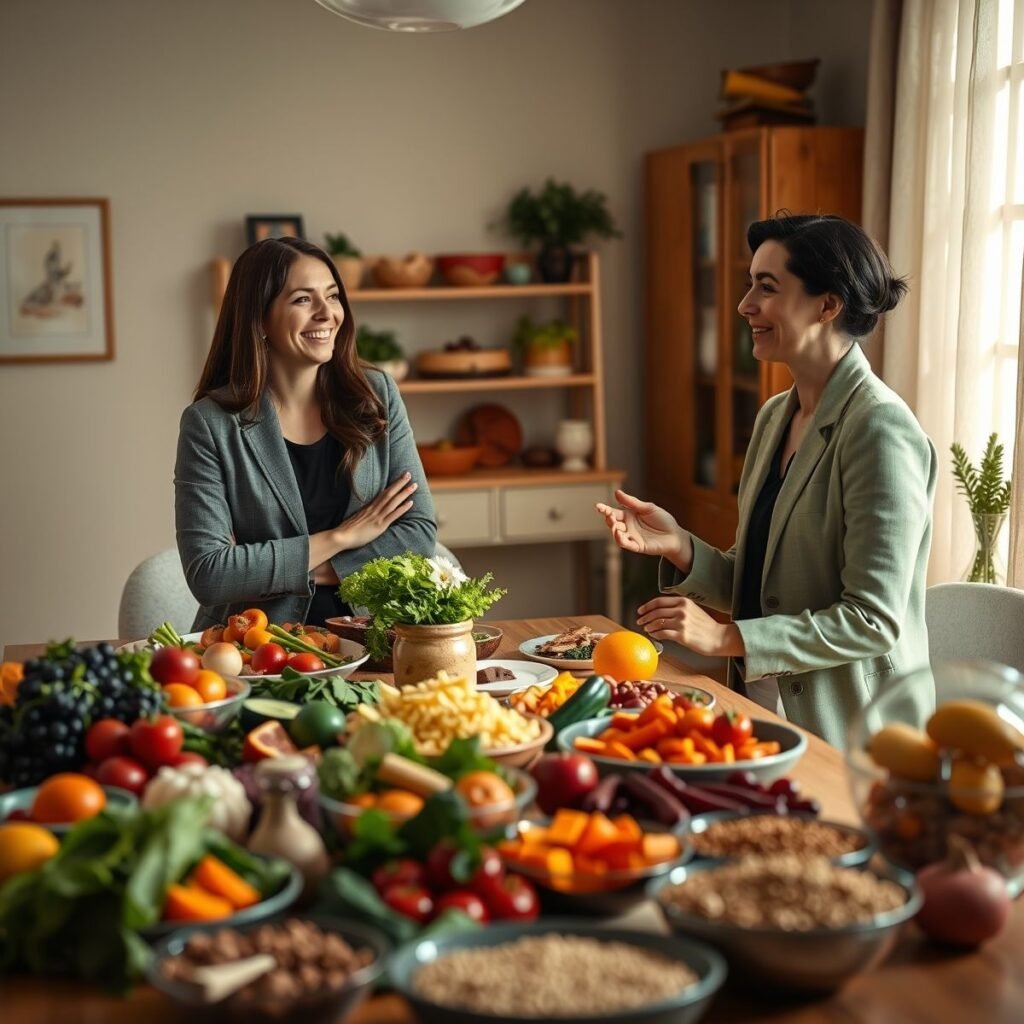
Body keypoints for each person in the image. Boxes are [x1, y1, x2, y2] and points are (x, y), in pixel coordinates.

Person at [598, 214, 937, 748]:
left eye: (767, 287)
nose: (744, 304)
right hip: (763, 710)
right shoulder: (776, 416)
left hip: (857, 737)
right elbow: (769, 586)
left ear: (828, 305)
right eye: (749, 283)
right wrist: (683, 546)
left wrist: (724, 636)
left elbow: (871, 620)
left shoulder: (879, 430)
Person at [175, 236, 435, 629]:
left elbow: (418, 534)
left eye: (332, 296)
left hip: (376, 639)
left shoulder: (377, 395)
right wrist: (342, 538)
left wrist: (289, 567)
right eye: (302, 299)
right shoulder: (210, 424)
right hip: (260, 651)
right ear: (259, 319)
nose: (326, 313)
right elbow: (210, 573)